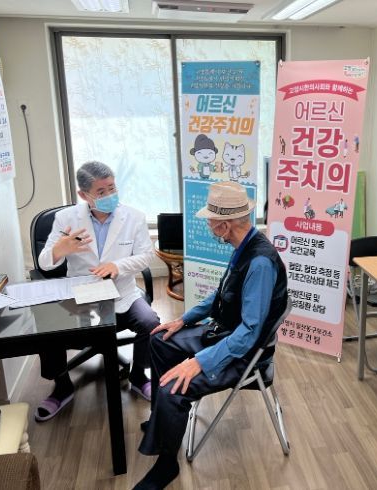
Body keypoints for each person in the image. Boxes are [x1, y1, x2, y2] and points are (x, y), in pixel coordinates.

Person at [134, 181, 288, 490]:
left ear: (224, 225)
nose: (207, 224)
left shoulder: (259, 262)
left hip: (243, 353)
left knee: (172, 387)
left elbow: (249, 334)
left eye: (210, 220)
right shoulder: (243, 247)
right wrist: (183, 320)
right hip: (225, 334)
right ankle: (162, 423)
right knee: (159, 340)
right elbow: (220, 296)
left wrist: (199, 362)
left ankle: (167, 463)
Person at [35, 161, 160, 422]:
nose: (109, 195)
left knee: (150, 322)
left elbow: (146, 256)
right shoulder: (66, 219)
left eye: (112, 188)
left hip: (121, 291)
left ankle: (139, 376)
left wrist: (118, 266)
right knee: (48, 331)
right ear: (84, 195)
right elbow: (44, 263)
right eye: (101, 192)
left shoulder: (134, 217)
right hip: (82, 294)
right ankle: (62, 386)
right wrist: (60, 250)